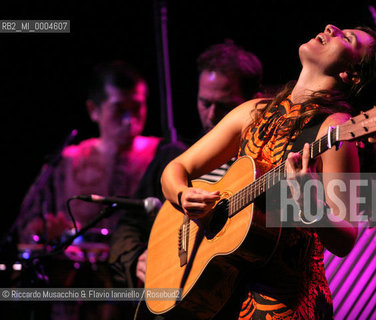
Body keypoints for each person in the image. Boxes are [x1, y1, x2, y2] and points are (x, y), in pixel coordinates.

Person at [159, 24, 376, 319]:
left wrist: (311, 205)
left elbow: (346, 238)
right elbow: (177, 168)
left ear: (351, 74)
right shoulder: (253, 111)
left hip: (283, 304)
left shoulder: (335, 128)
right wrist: (182, 193)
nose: (331, 27)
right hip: (227, 291)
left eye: (346, 38)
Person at [13, 61, 167, 320]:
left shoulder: (162, 157)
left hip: (137, 288)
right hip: (74, 294)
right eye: (119, 109)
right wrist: (44, 228)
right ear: (93, 110)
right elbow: (26, 229)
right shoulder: (66, 162)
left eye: (137, 107)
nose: (130, 120)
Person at [108, 41, 263, 290]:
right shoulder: (175, 155)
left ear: (252, 101)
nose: (211, 115)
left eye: (224, 106)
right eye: (204, 103)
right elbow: (128, 224)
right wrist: (134, 259)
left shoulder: (263, 162)